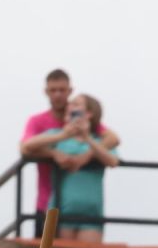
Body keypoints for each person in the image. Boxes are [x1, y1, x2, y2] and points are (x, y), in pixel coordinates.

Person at [18, 68, 118, 234]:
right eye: (53, 90)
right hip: (46, 202)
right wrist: (54, 153)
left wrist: (85, 156)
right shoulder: (38, 121)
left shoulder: (79, 117)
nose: (57, 95)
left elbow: (113, 138)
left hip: (78, 207)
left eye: (62, 90)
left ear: (70, 90)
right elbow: (25, 148)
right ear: (46, 92)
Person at [48, 94, 118, 239]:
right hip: (59, 213)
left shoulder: (100, 141)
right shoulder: (56, 135)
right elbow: (27, 147)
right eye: (70, 104)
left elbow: (112, 161)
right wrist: (55, 151)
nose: (70, 107)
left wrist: (87, 139)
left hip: (91, 215)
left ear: (89, 113)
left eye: (76, 104)